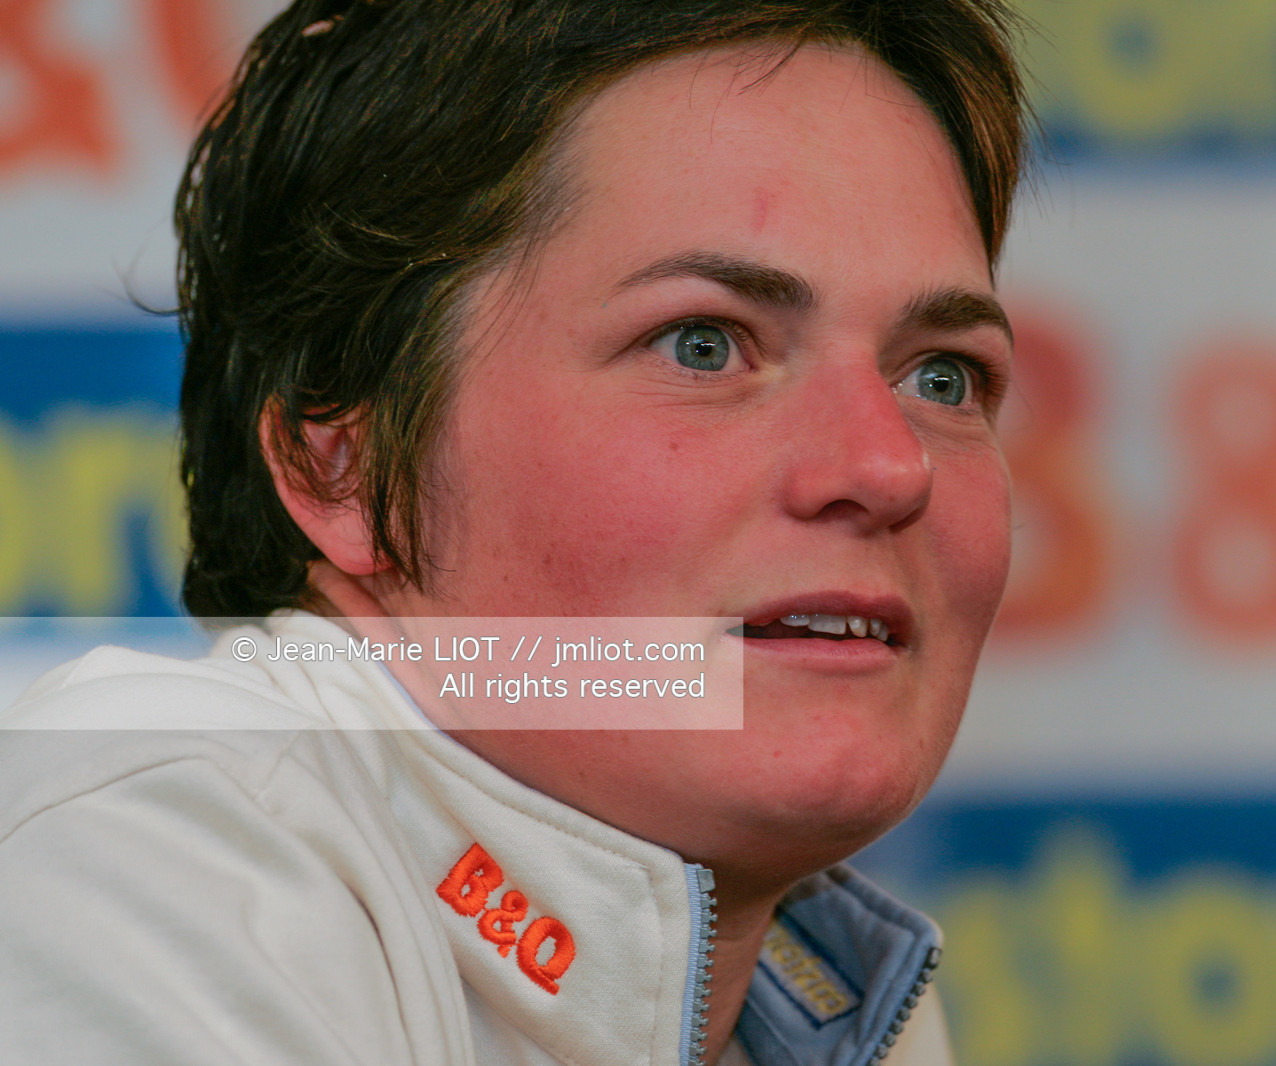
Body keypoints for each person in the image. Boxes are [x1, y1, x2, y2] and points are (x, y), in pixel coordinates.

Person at [0, 1, 1026, 1063]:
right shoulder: (149, 836)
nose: (885, 464)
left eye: (942, 377)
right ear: (339, 463)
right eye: (704, 344)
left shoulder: (838, 996)